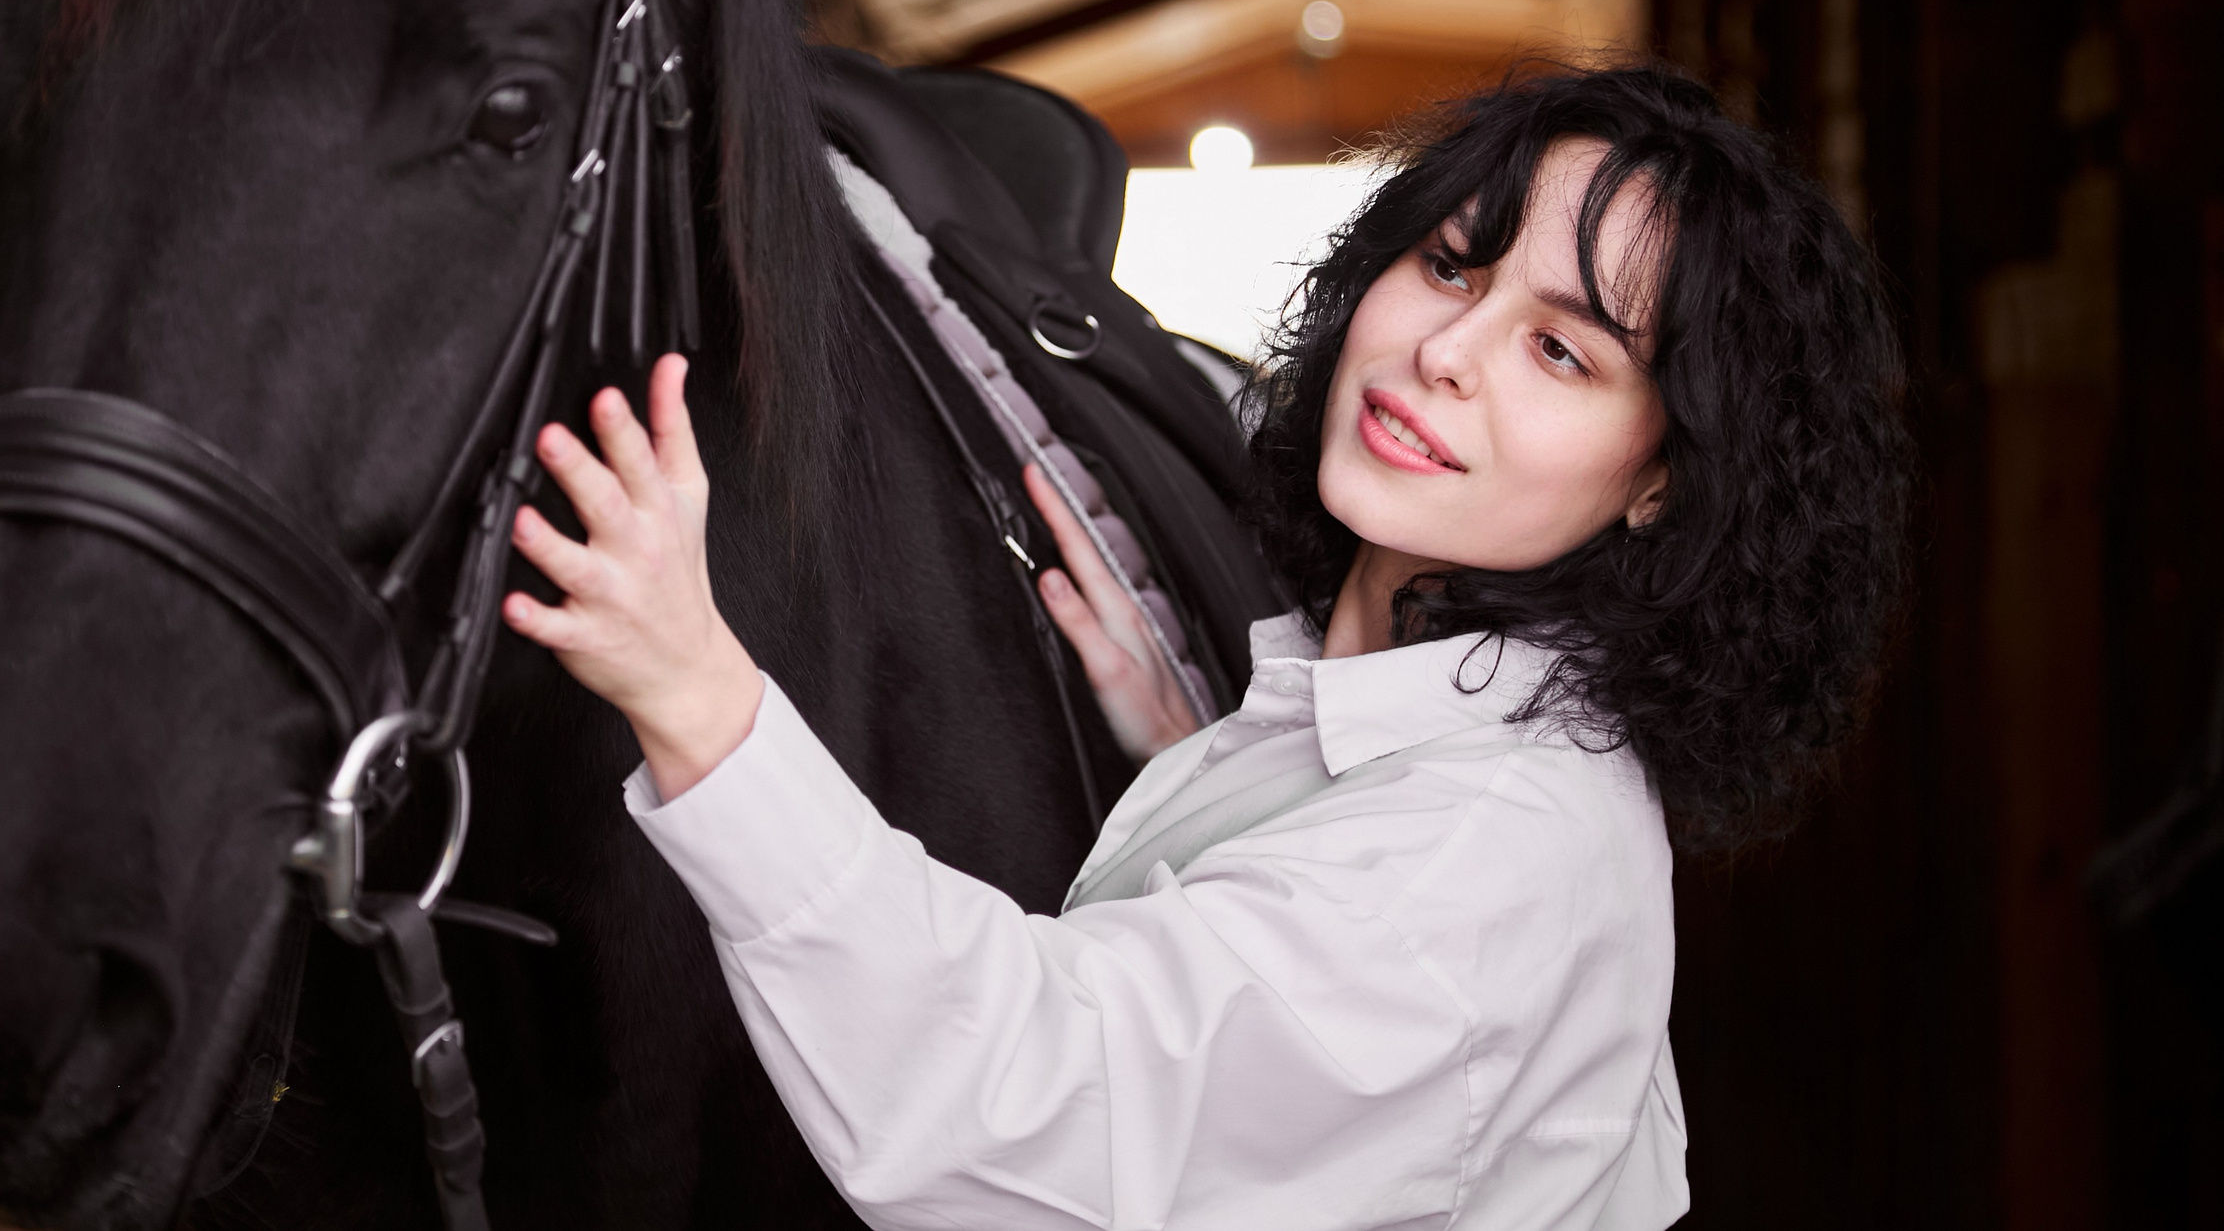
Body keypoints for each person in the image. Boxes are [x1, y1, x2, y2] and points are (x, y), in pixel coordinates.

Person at [499, 64, 1911, 1230]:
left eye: (1563, 352)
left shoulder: (1482, 866)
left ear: (1663, 479)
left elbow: (1025, 1107)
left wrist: (695, 692)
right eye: (1450, 265)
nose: (1449, 350)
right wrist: (1215, 765)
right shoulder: (1431, 735)